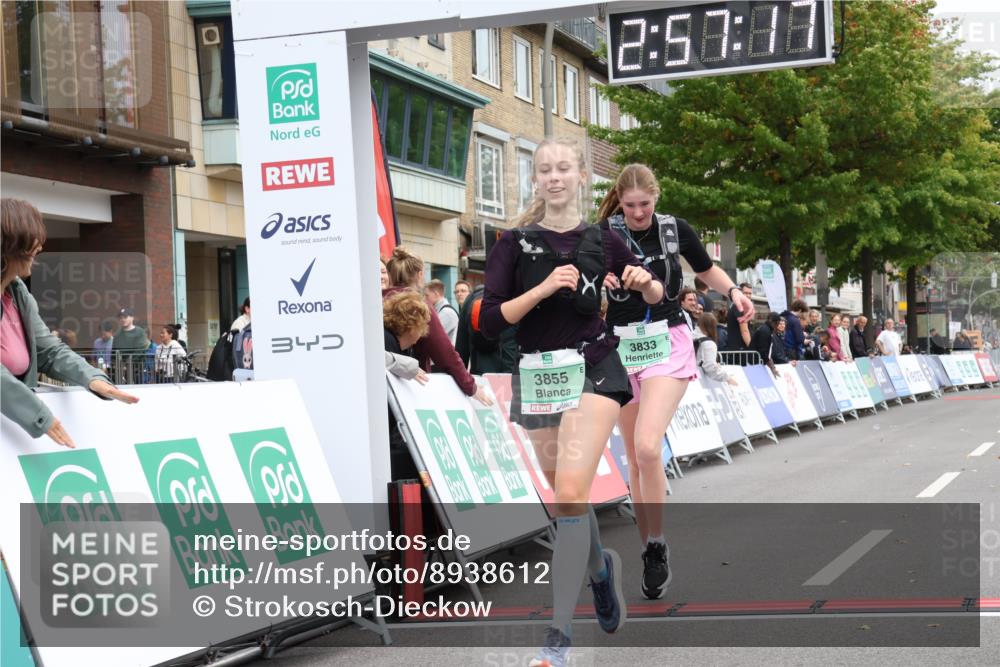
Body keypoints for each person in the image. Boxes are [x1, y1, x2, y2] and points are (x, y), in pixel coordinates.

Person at [480, 143, 665, 666]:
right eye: (545, 170)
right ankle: (601, 572)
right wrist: (538, 292)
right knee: (567, 499)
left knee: (568, 491)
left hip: (595, 369)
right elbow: (491, 321)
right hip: (538, 374)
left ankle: (557, 640)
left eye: (564, 168)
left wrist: (643, 280)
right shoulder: (512, 244)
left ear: (582, 176)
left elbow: (654, 295)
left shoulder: (605, 239)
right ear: (535, 179)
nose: (555, 177)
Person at [598, 163, 752, 605]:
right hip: (620, 347)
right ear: (620, 202)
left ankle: (656, 539)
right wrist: (603, 278)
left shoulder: (674, 229)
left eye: (644, 204)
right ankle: (652, 548)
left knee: (648, 445)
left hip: (667, 341)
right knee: (633, 456)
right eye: (630, 206)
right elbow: (586, 279)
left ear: (656, 198)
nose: (638, 213)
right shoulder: (604, 233)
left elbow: (706, 271)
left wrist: (736, 292)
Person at [1, 198, 138, 448]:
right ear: (9, 244)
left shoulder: (19, 295)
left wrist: (93, 378)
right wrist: (39, 416)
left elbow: (50, 350)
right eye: (33, 240)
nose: (40, 246)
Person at [384, 246, 491, 405]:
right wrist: (471, 387)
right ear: (420, 275)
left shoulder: (376, 300)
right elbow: (445, 353)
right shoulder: (418, 305)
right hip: (410, 388)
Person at [455, 283, 517, 374]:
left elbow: (461, 347)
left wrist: (461, 378)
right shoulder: (514, 298)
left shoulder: (469, 301)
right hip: (510, 372)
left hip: (480, 373)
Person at [383, 290, 430, 385]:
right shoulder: (387, 340)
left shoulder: (398, 343)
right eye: (423, 325)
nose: (423, 332)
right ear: (412, 327)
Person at [694, 313, 738, 385]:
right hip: (697, 380)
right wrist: (727, 378)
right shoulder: (709, 343)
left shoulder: (690, 335)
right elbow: (710, 367)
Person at [723, 283, 754, 359]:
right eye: (745, 293)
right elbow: (745, 331)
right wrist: (752, 349)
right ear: (740, 293)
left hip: (735, 350)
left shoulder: (735, 305)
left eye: (750, 293)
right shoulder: (739, 307)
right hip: (740, 351)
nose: (748, 295)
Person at [423, 279, 459, 344]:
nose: (424, 299)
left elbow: (431, 336)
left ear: (436, 294)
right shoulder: (440, 310)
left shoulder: (447, 313)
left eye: (427, 295)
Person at [749, 312, 783, 376]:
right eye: (777, 324)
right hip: (755, 363)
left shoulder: (766, 329)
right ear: (772, 321)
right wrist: (772, 368)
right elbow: (764, 352)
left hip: (756, 361)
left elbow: (766, 353)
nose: (777, 326)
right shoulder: (765, 331)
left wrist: (772, 367)